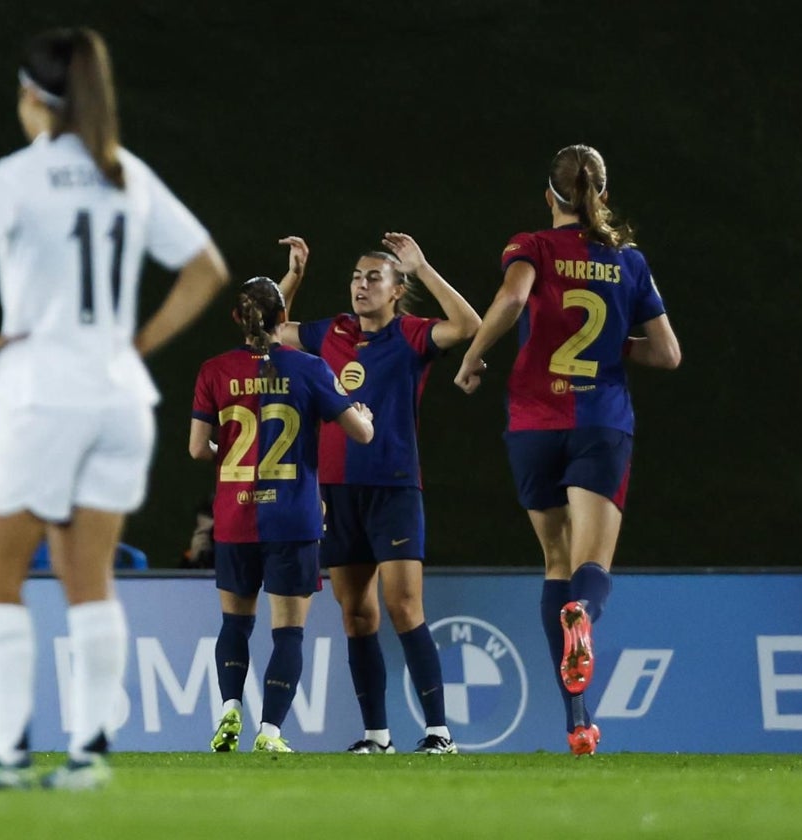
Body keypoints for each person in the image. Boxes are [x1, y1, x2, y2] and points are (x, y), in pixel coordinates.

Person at [0, 27, 229, 790]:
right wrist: (138, 340)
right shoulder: (123, 171)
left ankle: (8, 758)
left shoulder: (19, 175)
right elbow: (207, 268)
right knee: (88, 580)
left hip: (41, 393)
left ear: (34, 99)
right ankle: (90, 756)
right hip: (119, 398)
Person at [453, 144, 681, 755]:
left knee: (554, 560)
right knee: (590, 570)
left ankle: (578, 722)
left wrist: (474, 359)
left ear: (549, 195)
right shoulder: (628, 261)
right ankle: (584, 614)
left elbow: (508, 301)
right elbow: (668, 353)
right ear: (601, 195)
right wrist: (613, 344)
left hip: (533, 422)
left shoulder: (532, 245)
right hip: (600, 422)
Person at [275, 233, 481, 754]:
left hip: (392, 487)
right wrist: (295, 276)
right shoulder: (333, 332)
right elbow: (274, 330)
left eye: (373, 277)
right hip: (337, 491)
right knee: (356, 614)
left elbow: (469, 325)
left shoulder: (411, 335)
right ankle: (377, 736)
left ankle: (439, 731)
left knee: (404, 606)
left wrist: (424, 266)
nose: (360, 285)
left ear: (396, 290)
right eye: (355, 276)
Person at [191, 277, 375, 754]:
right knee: (288, 630)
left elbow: (196, 448)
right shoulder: (310, 368)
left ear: (237, 318)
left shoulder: (214, 370)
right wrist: (365, 417)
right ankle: (270, 732)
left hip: (234, 517)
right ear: (282, 320)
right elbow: (360, 434)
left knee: (235, 624)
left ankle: (230, 707)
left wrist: (227, 452)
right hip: (292, 518)